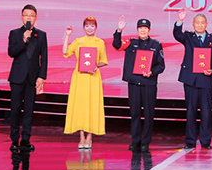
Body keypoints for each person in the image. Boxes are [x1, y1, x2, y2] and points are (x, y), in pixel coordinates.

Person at [113, 16, 165, 153]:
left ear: (149, 30)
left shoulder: (156, 45)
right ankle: (135, 140)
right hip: (134, 83)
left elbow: (161, 65)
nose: (143, 30)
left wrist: (152, 72)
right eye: (140, 28)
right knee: (135, 113)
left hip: (149, 84)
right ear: (137, 30)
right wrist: (119, 30)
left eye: (145, 28)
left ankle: (146, 141)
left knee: (149, 114)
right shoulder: (131, 43)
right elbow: (117, 45)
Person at [173, 9, 212, 150]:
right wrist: (180, 21)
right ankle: (190, 140)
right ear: (193, 24)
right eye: (197, 22)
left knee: (206, 112)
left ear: (206, 24)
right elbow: (177, 34)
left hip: (205, 79)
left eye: (202, 23)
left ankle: (206, 141)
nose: (200, 25)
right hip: (190, 80)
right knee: (191, 111)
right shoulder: (188, 37)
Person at [7, 4, 48, 153]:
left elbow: (44, 57)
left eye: (31, 15)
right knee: (15, 109)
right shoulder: (15, 33)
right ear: (22, 17)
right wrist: (23, 40)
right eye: (26, 15)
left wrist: (41, 76)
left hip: (32, 77)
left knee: (29, 110)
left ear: (36, 18)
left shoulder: (41, 35)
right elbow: (11, 52)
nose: (28, 17)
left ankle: (26, 139)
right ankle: (14, 139)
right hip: (17, 77)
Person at [63, 17, 108, 149]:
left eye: (92, 26)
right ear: (84, 28)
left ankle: (89, 137)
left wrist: (95, 66)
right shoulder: (78, 41)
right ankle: (81, 137)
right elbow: (65, 52)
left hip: (93, 77)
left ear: (96, 28)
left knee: (92, 105)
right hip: (80, 77)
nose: (90, 28)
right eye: (87, 26)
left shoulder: (100, 42)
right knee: (81, 106)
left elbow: (104, 61)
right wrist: (67, 35)